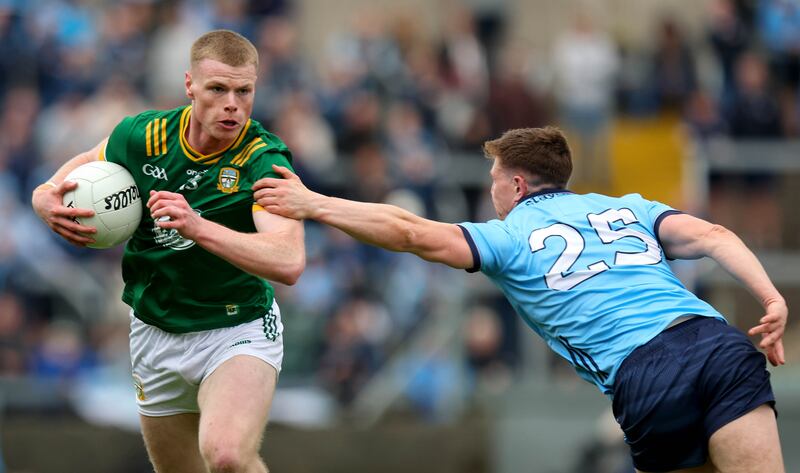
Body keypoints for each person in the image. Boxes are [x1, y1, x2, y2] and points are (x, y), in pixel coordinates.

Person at [253, 126, 787, 473]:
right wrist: (771, 299)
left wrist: (315, 203)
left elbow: (410, 232)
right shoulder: (629, 207)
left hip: (646, 371)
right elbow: (716, 236)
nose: (491, 192)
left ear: (515, 184)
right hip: (717, 344)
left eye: (492, 180)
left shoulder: (508, 236)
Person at [31, 30, 305, 473]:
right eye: (217, 89)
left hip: (237, 326)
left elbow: (288, 261)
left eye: (244, 90)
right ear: (190, 86)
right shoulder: (144, 135)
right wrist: (43, 194)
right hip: (155, 330)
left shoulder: (264, 161)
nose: (232, 103)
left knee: (228, 456)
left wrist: (198, 227)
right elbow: (86, 161)